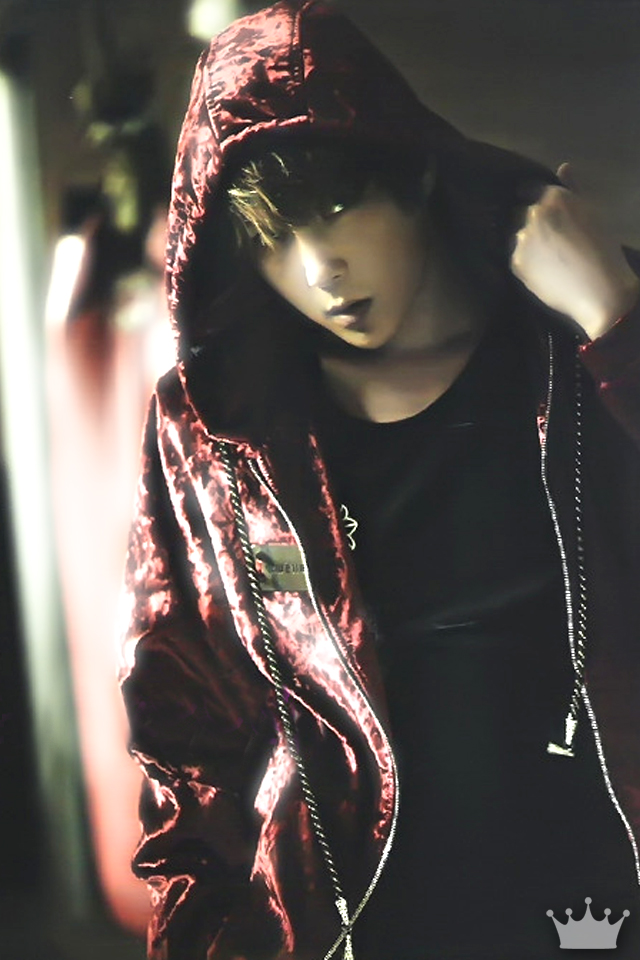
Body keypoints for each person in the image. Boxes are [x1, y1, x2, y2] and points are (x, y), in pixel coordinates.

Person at [118, 1, 640, 957]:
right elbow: (184, 723)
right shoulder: (217, 426)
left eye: (335, 209)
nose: (320, 269)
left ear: (416, 174)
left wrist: (618, 327)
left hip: (602, 899)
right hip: (365, 916)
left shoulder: (573, 347)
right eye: (272, 237)